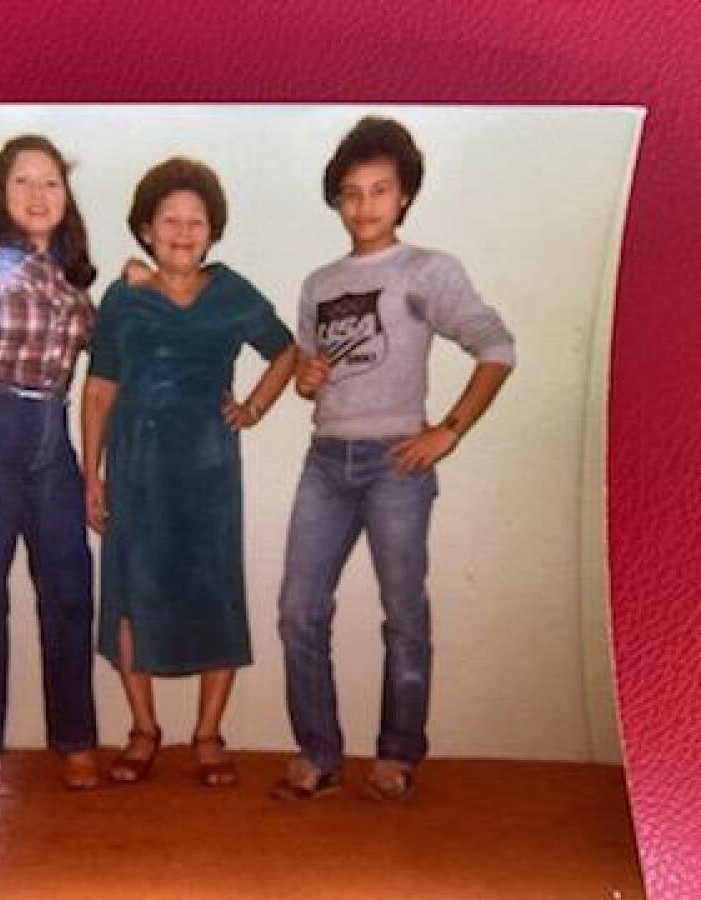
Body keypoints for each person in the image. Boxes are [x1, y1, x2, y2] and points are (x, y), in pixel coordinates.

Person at [273, 117, 516, 802]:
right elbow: (307, 369)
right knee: (298, 610)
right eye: (351, 193)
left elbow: (496, 347)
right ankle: (319, 754)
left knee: (403, 612)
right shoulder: (320, 281)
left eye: (380, 190)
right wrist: (307, 379)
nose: (365, 205)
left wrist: (450, 429)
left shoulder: (426, 269)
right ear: (337, 201)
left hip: (396, 464)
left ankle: (397, 755)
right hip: (326, 460)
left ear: (403, 195)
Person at [82, 157, 298, 788]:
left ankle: (207, 734)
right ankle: (144, 729)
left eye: (195, 221)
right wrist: (91, 477)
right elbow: (97, 391)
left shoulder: (232, 291)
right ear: (146, 229)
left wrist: (254, 407)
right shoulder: (124, 296)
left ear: (212, 229)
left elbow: (285, 350)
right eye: (169, 220)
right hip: (135, 468)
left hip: (208, 470)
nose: (182, 231)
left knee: (215, 595)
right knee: (128, 597)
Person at [0, 134, 100, 800]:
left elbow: (104, 349)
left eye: (51, 182)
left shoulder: (70, 284)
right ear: (1, 197)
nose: (38, 195)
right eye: (22, 182)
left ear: (66, 195)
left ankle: (75, 741)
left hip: (50, 436)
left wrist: (138, 284)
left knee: (68, 589)